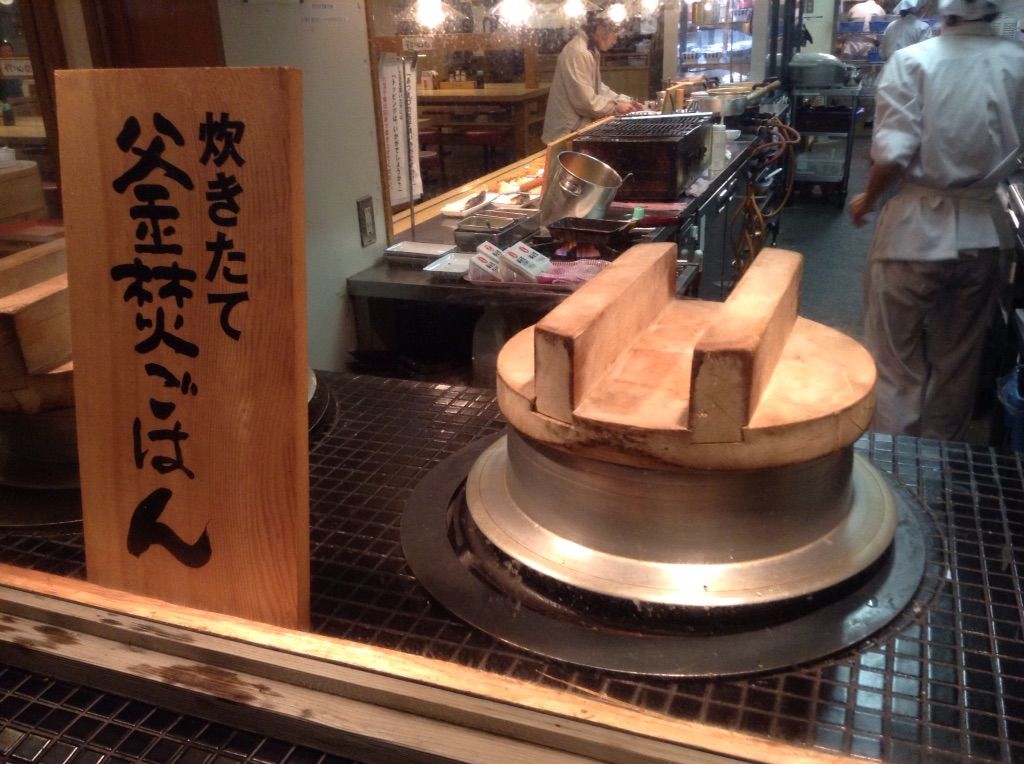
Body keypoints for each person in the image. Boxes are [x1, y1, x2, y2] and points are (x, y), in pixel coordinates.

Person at [848, 0, 1024, 440]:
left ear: (944, 13)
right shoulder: (1018, 63)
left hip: (914, 230)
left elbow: (893, 154)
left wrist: (868, 200)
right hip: (984, 231)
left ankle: (893, 464)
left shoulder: (913, 61)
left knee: (893, 360)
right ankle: (941, 461)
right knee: (958, 362)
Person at [540, 9, 643, 144]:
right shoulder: (578, 52)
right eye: (615, 31)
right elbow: (585, 102)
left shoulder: (590, 49)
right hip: (565, 134)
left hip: (574, 130)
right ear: (600, 29)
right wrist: (616, 107)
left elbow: (598, 88)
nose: (616, 38)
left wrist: (625, 101)